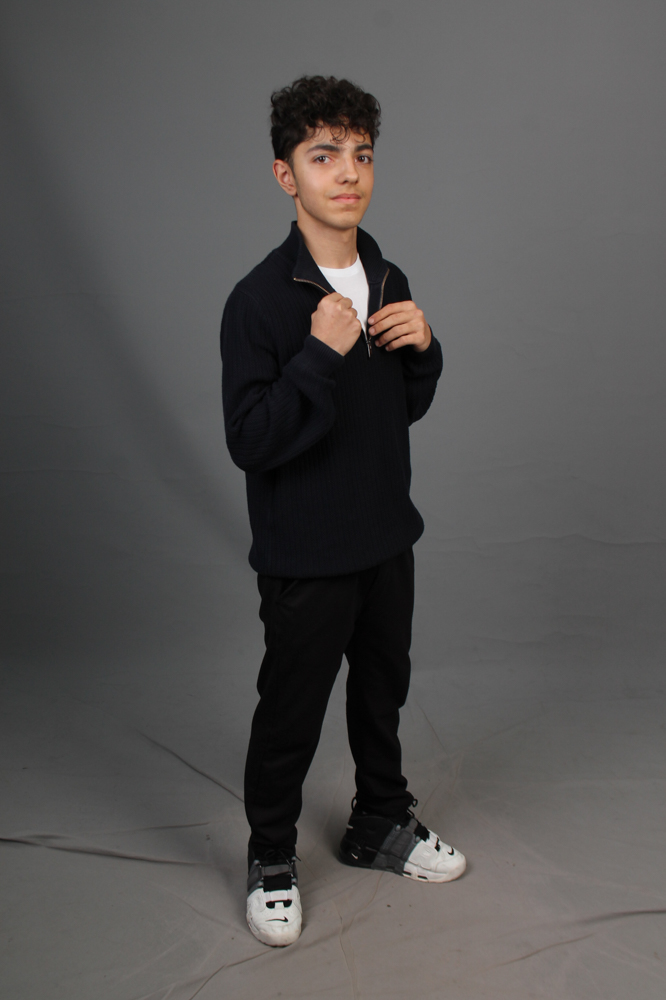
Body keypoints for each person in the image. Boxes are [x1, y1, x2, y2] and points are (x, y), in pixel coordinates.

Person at [220, 75, 466, 948]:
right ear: (286, 174)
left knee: (382, 694)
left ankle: (380, 822)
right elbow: (251, 439)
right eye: (323, 155)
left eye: (361, 154)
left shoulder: (388, 276)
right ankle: (271, 855)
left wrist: (425, 351)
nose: (348, 172)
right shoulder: (259, 300)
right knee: (291, 713)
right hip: (306, 556)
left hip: (386, 540)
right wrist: (318, 357)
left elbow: (397, 408)